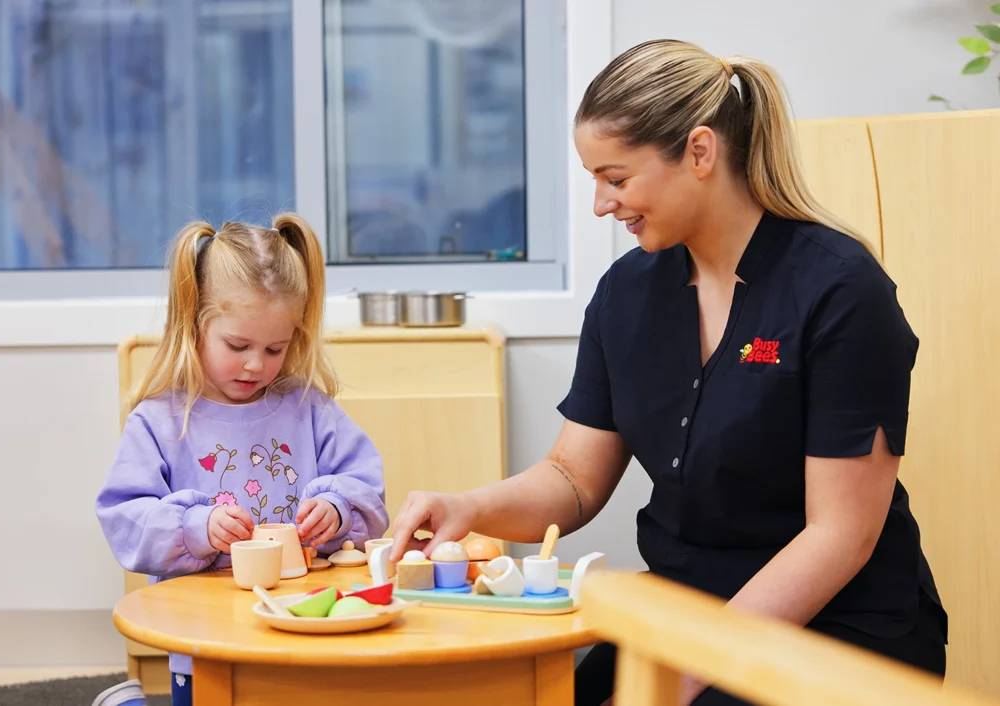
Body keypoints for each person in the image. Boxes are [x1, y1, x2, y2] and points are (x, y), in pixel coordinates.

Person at [389, 39, 947, 706]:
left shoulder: (840, 290)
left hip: (837, 629)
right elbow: (573, 478)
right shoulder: (625, 294)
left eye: (616, 178)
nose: (601, 204)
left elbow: (841, 536)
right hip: (686, 614)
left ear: (701, 153)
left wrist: (692, 668)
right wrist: (470, 508)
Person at [95, 213, 390, 706]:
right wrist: (195, 527)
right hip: (204, 633)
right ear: (195, 324)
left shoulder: (308, 408)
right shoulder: (160, 420)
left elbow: (367, 487)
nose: (257, 364)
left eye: (275, 348)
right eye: (238, 345)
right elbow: (124, 517)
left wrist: (338, 509)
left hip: (303, 623)